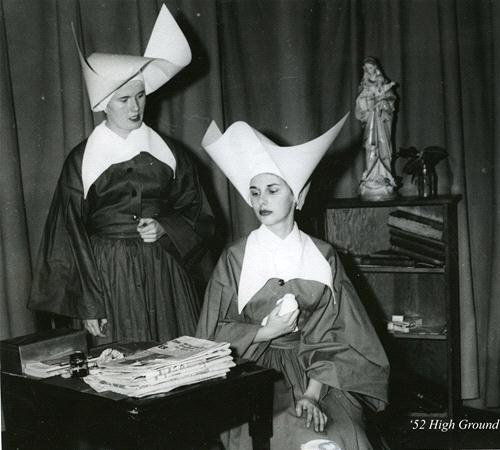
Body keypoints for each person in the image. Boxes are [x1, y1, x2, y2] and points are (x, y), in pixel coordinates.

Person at [196, 115, 389, 450]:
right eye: (255, 192)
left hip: (322, 377)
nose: (261, 201)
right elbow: (208, 338)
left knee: (338, 438)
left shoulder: (323, 256)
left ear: (298, 195)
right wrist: (266, 332)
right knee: (290, 439)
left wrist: (313, 395)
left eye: (273, 190)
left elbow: (344, 336)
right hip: (251, 375)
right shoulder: (235, 258)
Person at [29, 5, 214, 344]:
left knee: (178, 367)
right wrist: (88, 303)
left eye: (140, 96)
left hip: (165, 274)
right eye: (124, 99)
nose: (134, 108)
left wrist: (166, 227)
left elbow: (199, 214)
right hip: (108, 278)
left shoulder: (171, 154)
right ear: (103, 104)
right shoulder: (82, 159)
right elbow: (68, 235)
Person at [355, 56, 397, 200]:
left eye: (371, 68)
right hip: (371, 122)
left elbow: (391, 102)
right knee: (371, 147)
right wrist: (368, 103)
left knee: (384, 146)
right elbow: (359, 108)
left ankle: (385, 176)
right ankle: (371, 177)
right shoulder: (364, 86)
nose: (369, 71)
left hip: (382, 121)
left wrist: (383, 103)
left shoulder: (383, 83)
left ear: (376, 68)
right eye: (367, 68)